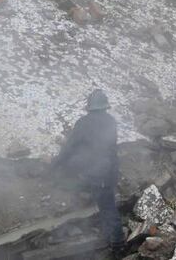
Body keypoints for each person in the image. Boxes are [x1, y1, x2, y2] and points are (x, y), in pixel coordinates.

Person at [52, 89, 126, 258]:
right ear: (105, 106)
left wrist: (55, 165)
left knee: (108, 207)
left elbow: (69, 147)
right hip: (110, 170)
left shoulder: (84, 123)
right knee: (105, 202)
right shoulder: (110, 121)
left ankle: (117, 244)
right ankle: (110, 236)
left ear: (90, 107)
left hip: (97, 173)